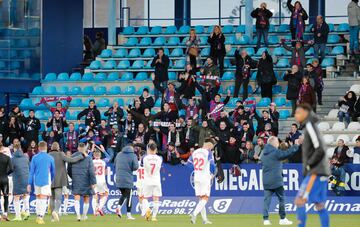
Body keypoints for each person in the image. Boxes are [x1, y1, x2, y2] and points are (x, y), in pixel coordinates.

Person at [294, 103, 330, 227]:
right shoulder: (311, 126)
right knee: (319, 205)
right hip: (321, 171)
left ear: (306, 113)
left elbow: (320, 149)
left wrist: (309, 165)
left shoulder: (309, 126)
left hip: (316, 172)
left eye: (298, 112)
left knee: (300, 200)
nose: (295, 115)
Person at [262, 136, 300, 226]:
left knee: (266, 200)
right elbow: (286, 154)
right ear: (274, 143)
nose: (278, 144)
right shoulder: (275, 152)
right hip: (276, 180)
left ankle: (265, 219)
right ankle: (282, 218)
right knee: (282, 198)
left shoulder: (264, 153)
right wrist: (295, 146)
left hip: (266, 180)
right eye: (277, 142)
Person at [49, 142, 85, 222]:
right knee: (58, 198)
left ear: (51, 148)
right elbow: (71, 160)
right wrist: (80, 156)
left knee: (52, 199)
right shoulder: (61, 154)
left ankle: (52, 218)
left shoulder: (48, 155)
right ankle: (56, 211)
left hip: (50, 179)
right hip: (59, 179)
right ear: (58, 148)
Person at [188, 138, 215, 224]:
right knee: (205, 198)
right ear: (209, 144)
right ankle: (194, 213)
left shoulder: (195, 152)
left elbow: (188, 163)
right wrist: (212, 174)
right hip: (205, 177)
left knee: (201, 199)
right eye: (212, 146)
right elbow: (212, 164)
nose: (212, 148)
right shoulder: (208, 152)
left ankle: (204, 219)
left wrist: (196, 169)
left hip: (196, 177)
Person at [27, 141, 55, 225]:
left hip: (37, 181)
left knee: (38, 198)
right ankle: (40, 217)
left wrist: (29, 183)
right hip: (46, 180)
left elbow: (31, 172)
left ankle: (38, 216)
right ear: (46, 148)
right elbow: (53, 172)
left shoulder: (35, 157)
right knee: (43, 199)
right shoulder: (50, 158)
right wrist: (51, 180)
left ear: (38, 148)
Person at [67, 143, 96, 221]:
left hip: (76, 179)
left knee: (76, 197)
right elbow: (91, 171)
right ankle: (84, 215)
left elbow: (68, 170)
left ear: (78, 148)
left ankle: (78, 215)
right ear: (85, 149)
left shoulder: (72, 156)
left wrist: (73, 177)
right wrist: (93, 182)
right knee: (86, 198)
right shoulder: (89, 158)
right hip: (86, 180)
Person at [114, 145, 139, 220]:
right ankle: (129, 214)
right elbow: (135, 167)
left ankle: (118, 207)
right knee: (129, 197)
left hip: (118, 178)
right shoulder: (133, 155)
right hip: (127, 179)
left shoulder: (119, 154)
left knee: (124, 194)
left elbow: (115, 164)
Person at [141, 143, 163, 221]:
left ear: (149, 149)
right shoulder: (159, 158)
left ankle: (147, 209)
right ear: (156, 149)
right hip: (156, 180)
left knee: (144, 198)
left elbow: (145, 167)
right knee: (156, 199)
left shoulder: (145, 158)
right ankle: (154, 217)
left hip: (147, 180)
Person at [11, 142, 30, 221]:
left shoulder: (13, 159)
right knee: (25, 195)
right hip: (26, 178)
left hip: (17, 179)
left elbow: (10, 169)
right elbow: (29, 167)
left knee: (16, 197)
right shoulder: (26, 157)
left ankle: (18, 216)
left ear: (14, 149)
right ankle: (27, 211)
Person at [92, 149, 109, 216]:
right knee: (105, 194)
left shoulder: (91, 162)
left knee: (94, 196)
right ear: (100, 155)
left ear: (94, 155)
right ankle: (100, 208)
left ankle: (95, 212)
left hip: (94, 181)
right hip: (102, 180)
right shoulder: (103, 162)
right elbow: (106, 172)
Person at [0, 142, 13, 221]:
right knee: (6, 197)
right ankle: (5, 214)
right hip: (4, 179)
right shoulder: (7, 157)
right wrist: (6, 174)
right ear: (2, 148)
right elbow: (11, 169)